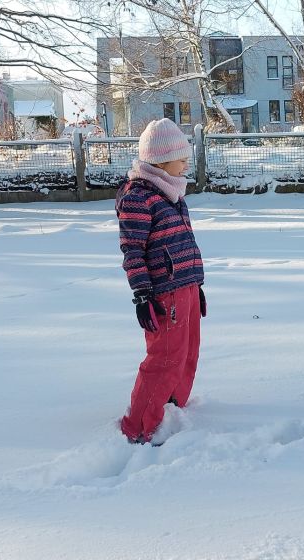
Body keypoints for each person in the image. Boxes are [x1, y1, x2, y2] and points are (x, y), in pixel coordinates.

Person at [115, 118, 206, 444]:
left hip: (187, 286)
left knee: (188, 353)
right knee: (165, 357)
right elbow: (133, 251)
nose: (186, 163)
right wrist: (142, 294)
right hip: (164, 292)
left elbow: (183, 242)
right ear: (161, 159)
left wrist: (197, 282)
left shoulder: (172, 193)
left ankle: (172, 406)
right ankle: (138, 426)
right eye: (182, 156)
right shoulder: (140, 197)